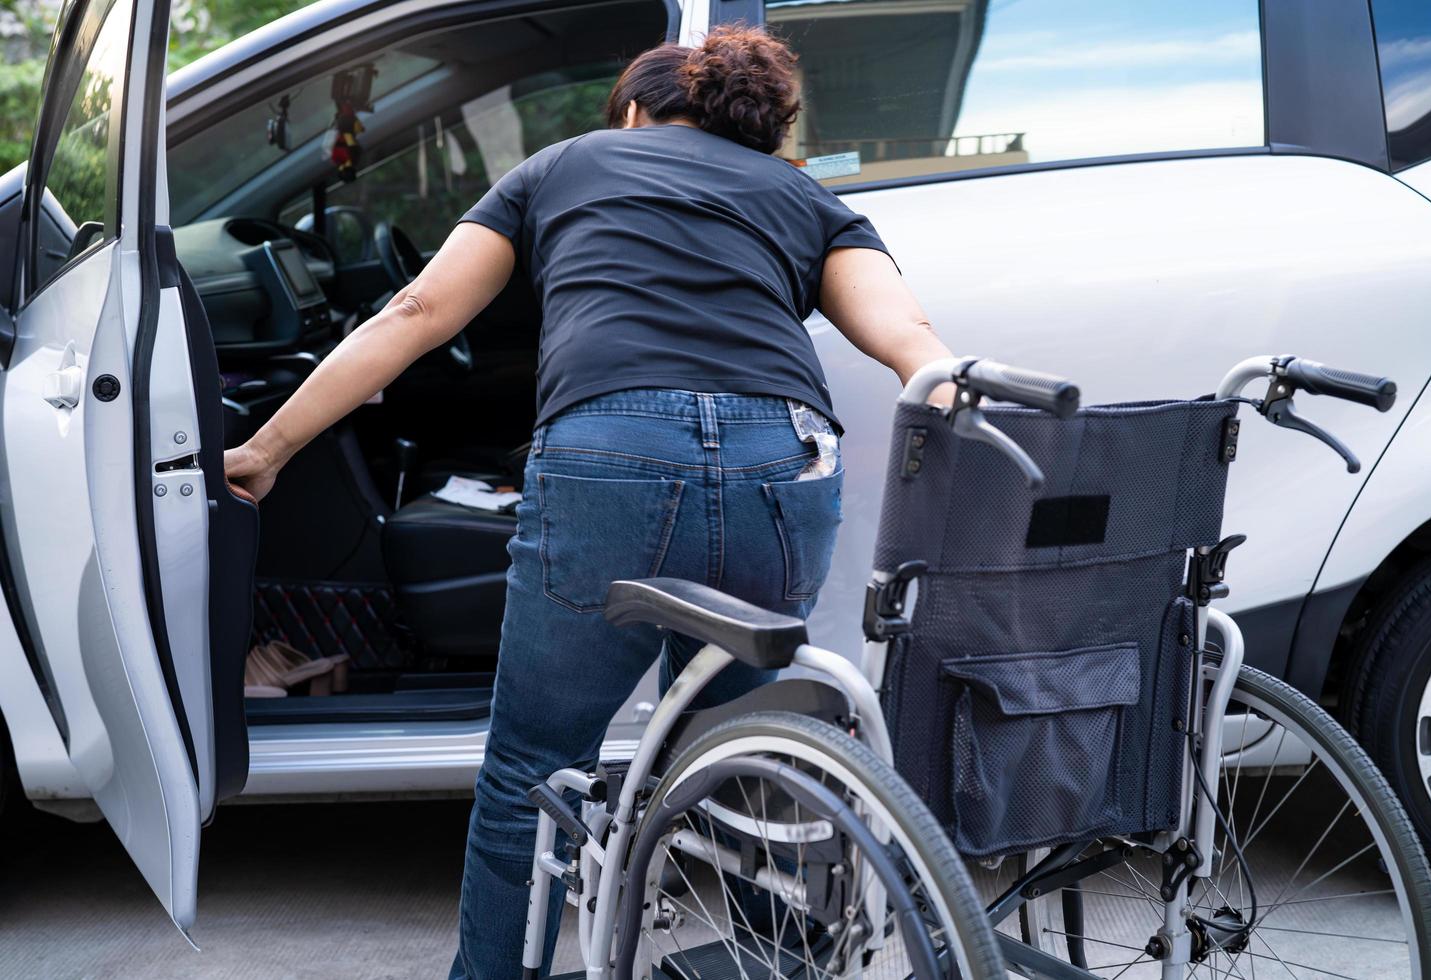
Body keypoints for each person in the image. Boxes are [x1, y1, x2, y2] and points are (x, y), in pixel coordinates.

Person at [224, 25, 952, 978]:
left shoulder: (564, 164)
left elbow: (417, 314)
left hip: (612, 455)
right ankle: (773, 957)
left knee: (535, 767)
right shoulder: (806, 197)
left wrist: (268, 448)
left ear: (639, 112)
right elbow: (913, 344)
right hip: (783, 460)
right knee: (747, 747)